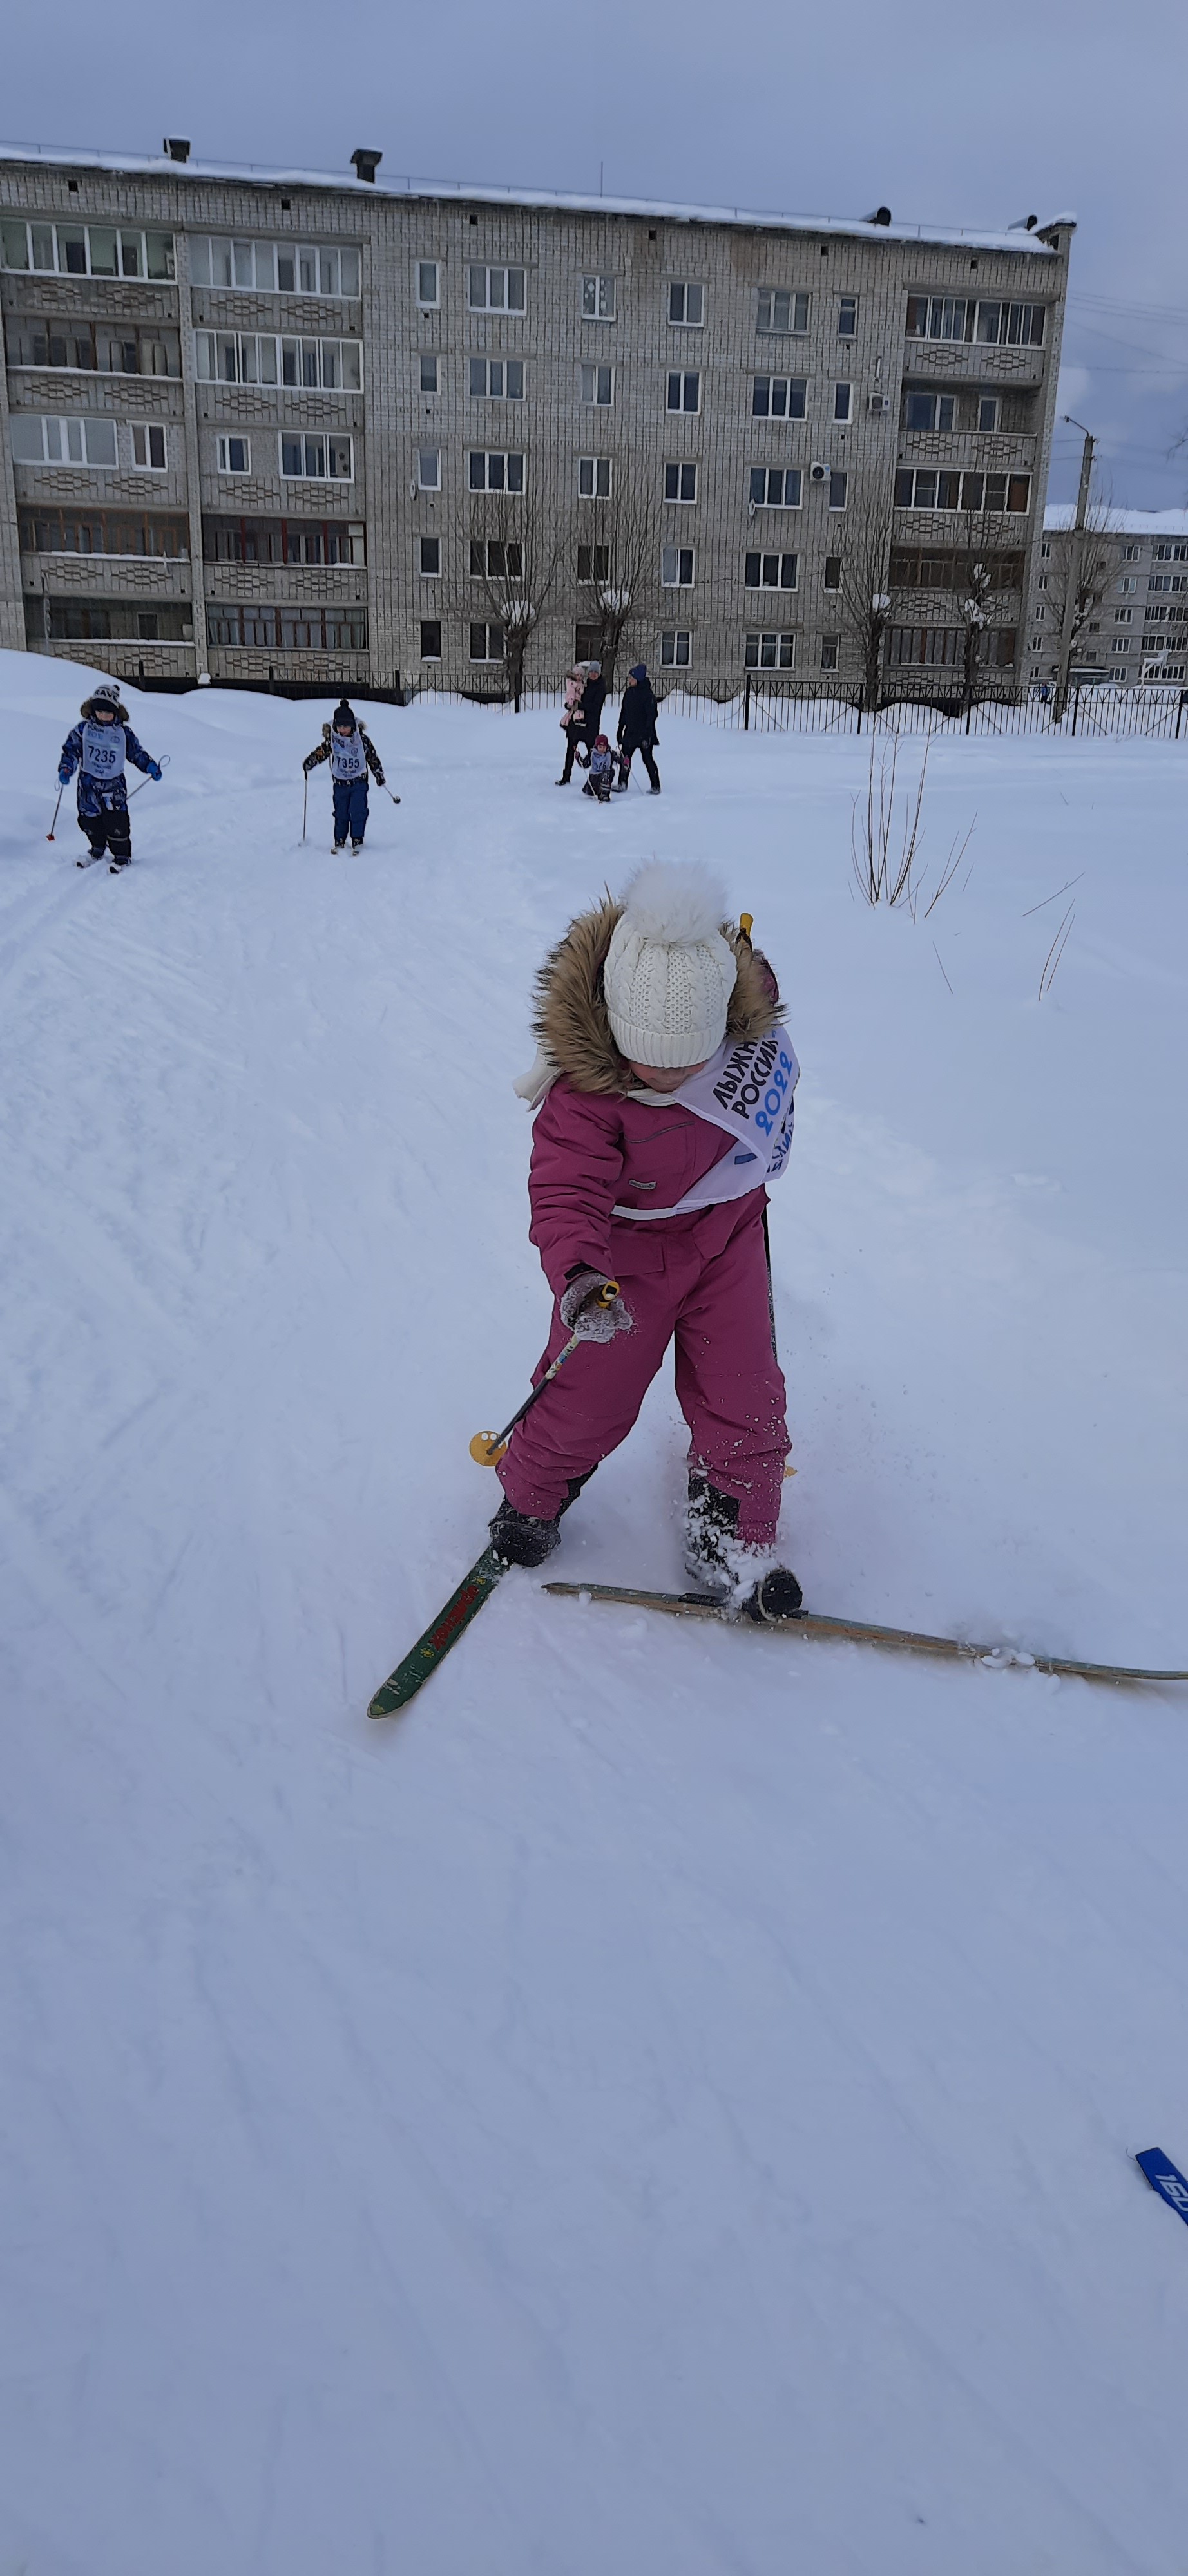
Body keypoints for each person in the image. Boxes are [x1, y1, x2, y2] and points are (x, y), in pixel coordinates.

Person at [489, 860, 803, 1619]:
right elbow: (565, 1191)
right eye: (651, 1060)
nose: (671, 1075)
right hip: (622, 1263)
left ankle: (730, 1535)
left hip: (727, 1238)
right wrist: (578, 1275)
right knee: (587, 1395)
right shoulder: (586, 1097)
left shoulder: (738, 1037)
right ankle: (531, 1499)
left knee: (745, 1393)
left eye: (689, 1059)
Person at [57, 681, 162, 872]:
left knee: (116, 822)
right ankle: (97, 848)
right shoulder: (83, 730)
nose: (104, 716)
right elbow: (71, 751)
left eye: (108, 712)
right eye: (100, 711)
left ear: (116, 712)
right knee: (89, 820)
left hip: (113, 786)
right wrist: (66, 769)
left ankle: (122, 856)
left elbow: (135, 753)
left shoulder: (123, 733)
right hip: (88, 784)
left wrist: (149, 766)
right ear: (93, 710)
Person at [303, 700, 388, 850]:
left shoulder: (362, 740)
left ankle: (357, 839)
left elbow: (372, 757)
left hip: (359, 782)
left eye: (346, 726)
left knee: (358, 811)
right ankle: (340, 839)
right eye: (340, 726)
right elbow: (321, 753)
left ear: (353, 725)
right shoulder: (333, 740)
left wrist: (378, 774)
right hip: (340, 783)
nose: (342, 730)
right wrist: (310, 762)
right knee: (341, 813)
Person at [556, 661, 606, 784]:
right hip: (577, 722)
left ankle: (599, 778)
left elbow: (595, 707)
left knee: (594, 753)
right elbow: (574, 697)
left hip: (590, 725)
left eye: (595, 672)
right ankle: (566, 777)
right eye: (591, 672)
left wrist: (579, 706)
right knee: (570, 750)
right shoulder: (584, 685)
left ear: (599, 674)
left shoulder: (600, 687)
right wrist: (569, 705)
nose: (593, 674)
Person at [615, 662, 661, 793]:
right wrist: (620, 729)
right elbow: (624, 712)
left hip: (644, 734)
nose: (629, 680)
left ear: (638, 679)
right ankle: (622, 783)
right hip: (630, 732)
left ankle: (656, 785)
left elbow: (652, 715)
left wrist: (647, 736)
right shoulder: (629, 693)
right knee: (625, 758)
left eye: (631, 678)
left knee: (647, 759)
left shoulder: (648, 695)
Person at [582, 734, 616, 802]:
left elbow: (618, 758)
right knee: (592, 790)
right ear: (597, 746)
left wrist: (624, 761)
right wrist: (579, 758)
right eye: (600, 747)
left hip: (605, 774)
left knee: (607, 774)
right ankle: (594, 790)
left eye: (604, 747)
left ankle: (604, 795)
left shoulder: (610, 754)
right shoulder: (592, 753)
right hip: (594, 775)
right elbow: (585, 764)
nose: (602, 749)